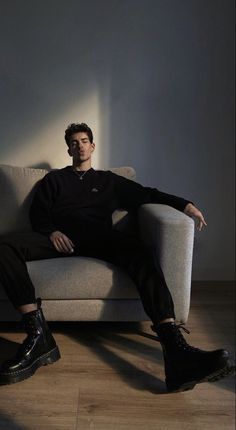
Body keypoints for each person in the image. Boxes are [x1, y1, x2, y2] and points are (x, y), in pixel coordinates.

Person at [0, 123, 234, 391]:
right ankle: (38, 334)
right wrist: (51, 231)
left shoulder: (108, 181)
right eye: (74, 142)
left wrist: (185, 204)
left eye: (84, 140)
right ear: (68, 149)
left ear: (92, 146)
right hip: (60, 240)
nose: (79, 145)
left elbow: (148, 193)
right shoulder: (53, 180)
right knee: (4, 246)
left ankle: (176, 350)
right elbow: (38, 214)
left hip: (100, 239)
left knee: (141, 251)